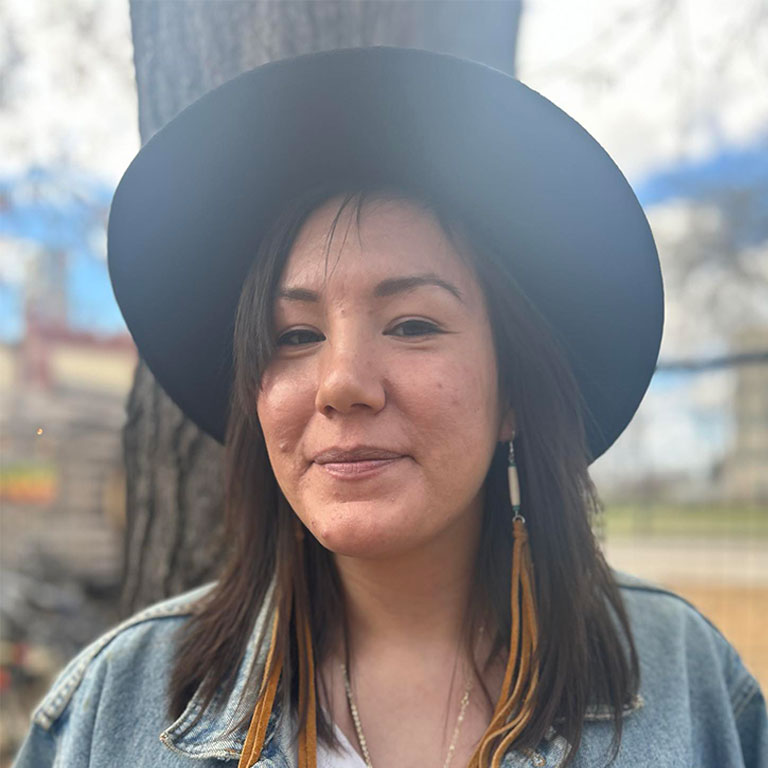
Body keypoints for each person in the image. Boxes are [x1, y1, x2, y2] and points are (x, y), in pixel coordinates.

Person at [13, 47, 767, 768]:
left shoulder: (689, 689)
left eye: (413, 324)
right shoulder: (113, 708)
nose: (342, 383)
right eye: (295, 335)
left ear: (514, 393)